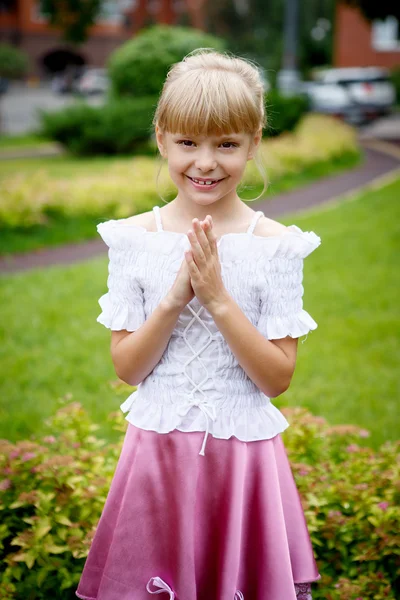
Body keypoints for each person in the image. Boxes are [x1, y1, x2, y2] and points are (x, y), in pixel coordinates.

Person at [75, 49, 322, 600]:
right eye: (188, 143)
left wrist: (217, 298)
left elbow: (277, 379)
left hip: (242, 461)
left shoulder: (277, 248)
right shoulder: (133, 240)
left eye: (226, 145)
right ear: (161, 139)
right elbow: (128, 368)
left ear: (254, 143)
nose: (205, 162)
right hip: (157, 456)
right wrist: (173, 299)